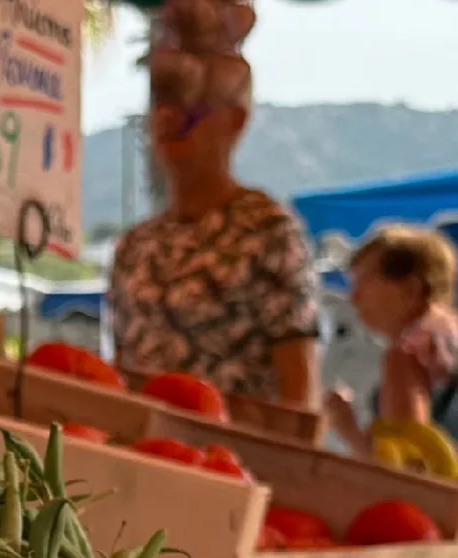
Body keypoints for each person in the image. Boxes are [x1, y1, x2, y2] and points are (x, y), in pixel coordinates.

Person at [108, 3, 320, 410]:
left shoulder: (267, 231)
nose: (169, 120)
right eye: (161, 106)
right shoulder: (136, 246)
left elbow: (299, 391)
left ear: (235, 121)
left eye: (192, 109)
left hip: (234, 461)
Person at [324, 224, 458, 458]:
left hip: (450, 493)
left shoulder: (409, 352)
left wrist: (348, 428)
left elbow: (409, 469)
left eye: (365, 281)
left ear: (411, 289)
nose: (353, 298)